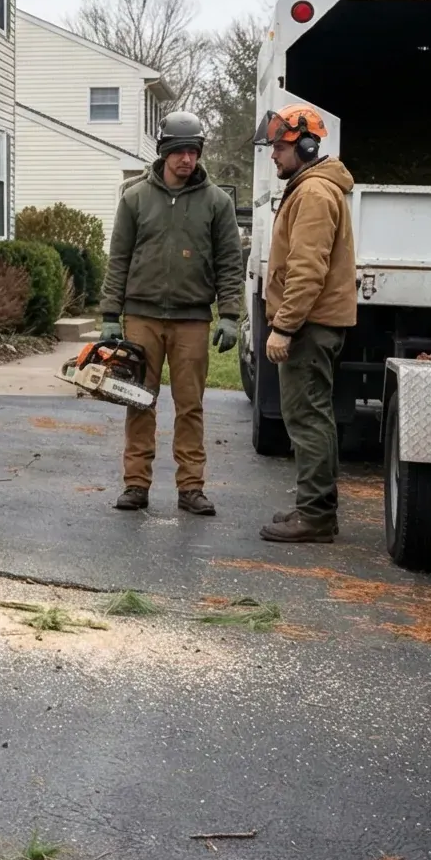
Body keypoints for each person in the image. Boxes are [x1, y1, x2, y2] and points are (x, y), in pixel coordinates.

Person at [99, 112, 243, 515]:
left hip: (192, 319)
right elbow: (119, 258)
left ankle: (191, 487)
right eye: (179, 151)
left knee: (191, 405)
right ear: (163, 153)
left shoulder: (217, 202)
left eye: (193, 151)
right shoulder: (134, 197)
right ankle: (135, 484)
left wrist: (230, 314)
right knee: (138, 399)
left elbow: (230, 261)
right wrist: (111, 313)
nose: (186, 159)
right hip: (141, 317)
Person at [256, 103, 356, 543]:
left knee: (307, 418)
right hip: (314, 323)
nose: (274, 155)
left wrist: (284, 326)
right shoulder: (310, 188)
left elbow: (307, 269)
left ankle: (315, 515)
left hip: (309, 325)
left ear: (307, 145)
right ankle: (314, 508)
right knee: (312, 416)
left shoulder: (314, 194)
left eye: (280, 146)